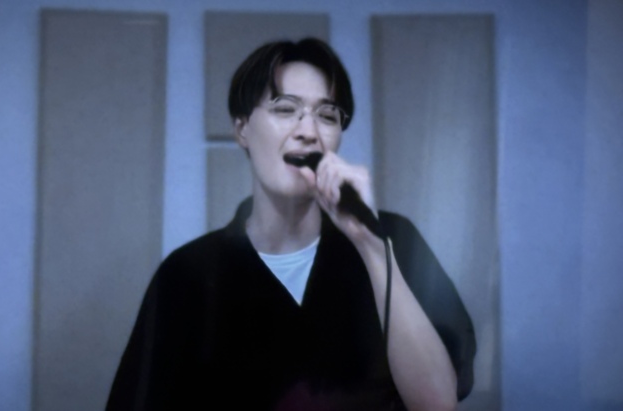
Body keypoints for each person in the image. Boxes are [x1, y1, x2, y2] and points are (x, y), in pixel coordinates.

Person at [106, 38, 476, 411]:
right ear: (242, 129)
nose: (308, 131)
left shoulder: (395, 239)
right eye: (285, 109)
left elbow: (437, 404)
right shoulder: (187, 274)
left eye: (327, 116)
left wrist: (371, 245)